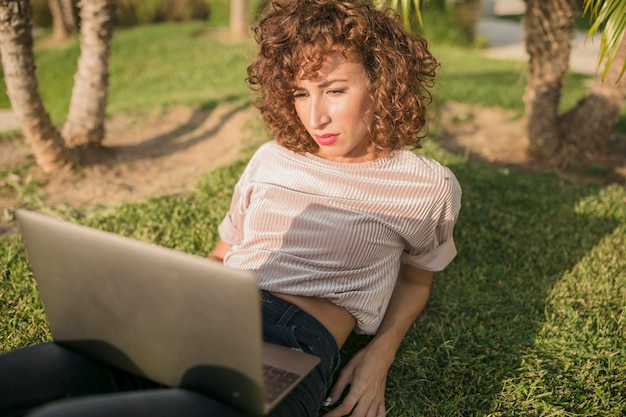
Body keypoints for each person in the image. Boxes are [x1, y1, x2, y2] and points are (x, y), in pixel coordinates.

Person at [0, 1, 461, 416]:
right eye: (301, 93)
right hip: (207, 315)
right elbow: (223, 254)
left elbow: (416, 280)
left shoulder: (424, 185)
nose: (314, 116)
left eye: (334, 90)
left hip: (295, 345)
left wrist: (380, 353)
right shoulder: (272, 158)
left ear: (381, 80)